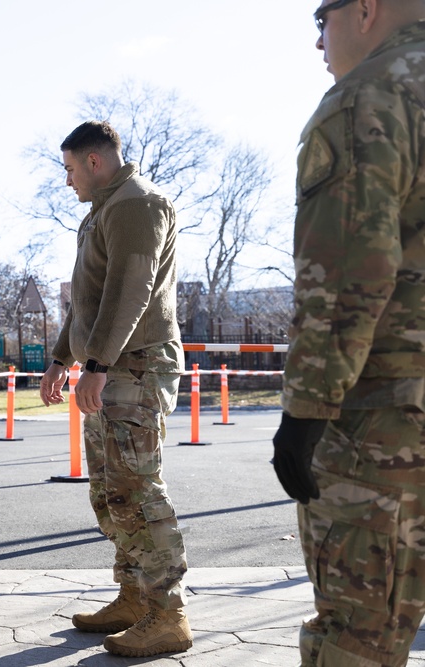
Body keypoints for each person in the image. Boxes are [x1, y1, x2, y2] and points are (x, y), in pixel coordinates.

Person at [272, 2, 425, 665]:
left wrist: (305, 413)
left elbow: (345, 274)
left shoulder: (373, 95)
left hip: (388, 422)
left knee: (359, 638)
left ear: (364, 9)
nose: (317, 41)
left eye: (322, 19)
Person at [39, 121, 191, 658]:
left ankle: (167, 614)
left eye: (70, 169)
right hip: (112, 368)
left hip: (134, 367)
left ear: (94, 162)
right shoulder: (105, 210)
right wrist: (63, 358)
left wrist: (97, 364)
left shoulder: (135, 204)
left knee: (137, 489)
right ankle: (133, 598)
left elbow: (131, 290)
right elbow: (89, 298)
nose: (68, 181)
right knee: (111, 492)